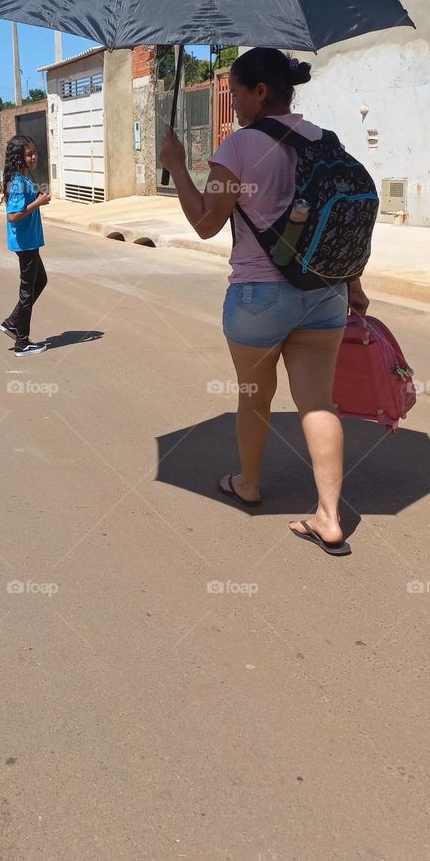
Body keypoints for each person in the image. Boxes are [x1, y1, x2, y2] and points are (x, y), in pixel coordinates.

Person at [159, 47, 369, 556]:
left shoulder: (240, 147)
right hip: (325, 293)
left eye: (235, 92)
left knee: (254, 396)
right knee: (318, 402)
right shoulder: (326, 140)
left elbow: (207, 223)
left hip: (259, 295)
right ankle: (328, 516)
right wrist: (355, 286)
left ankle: (248, 484)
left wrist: (177, 167)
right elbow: (342, 218)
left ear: (260, 92)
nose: (232, 103)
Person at [0, 134, 51, 357]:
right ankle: (22, 342)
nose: (33, 157)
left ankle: (12, 322)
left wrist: (37, 197)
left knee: (41, 281)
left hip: (30, 241)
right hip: (26, 243)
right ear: (18, 157)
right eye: (28, 154)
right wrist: (38, 202)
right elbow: (13, 216)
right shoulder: (18, 182)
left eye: (34, 153)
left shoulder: (22, 177)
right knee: (27, 292)